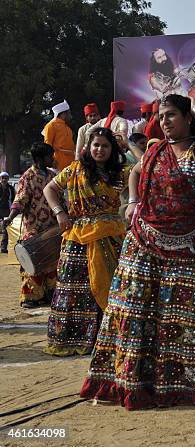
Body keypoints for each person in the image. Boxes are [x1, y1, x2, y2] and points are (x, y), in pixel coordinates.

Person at [80, 94, 195, 410]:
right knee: (131, 309)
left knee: (176, 317)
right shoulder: (156, 149)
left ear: (189, 119)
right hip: (142, 241)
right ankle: (129, 382)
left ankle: (173, 385)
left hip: (183, 247)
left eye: (172, 115)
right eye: (160, 116)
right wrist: (132, 202)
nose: (164, 121)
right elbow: (134, 173)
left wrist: (194, 102)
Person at [43, 128, 130, 356]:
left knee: (112, 287)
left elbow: (144, 168)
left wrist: (129, 145)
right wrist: (59, 212)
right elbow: (49, 189)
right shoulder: (74, 171)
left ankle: (108, 338)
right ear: (88, 148)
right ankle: (74, 339)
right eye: (96, 145)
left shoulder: (120, 173)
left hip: (110, 238)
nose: (100, 150)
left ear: (113, 150)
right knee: (77, 290)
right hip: (77, 238)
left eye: (105, 146)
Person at [4, 143, 57, 307]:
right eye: (50, 156)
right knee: (33, 263)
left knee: (52, 262)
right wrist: (10, 218)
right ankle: (31, 297)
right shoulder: (27, 177)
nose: (53, 159)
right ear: (40, 158)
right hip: (34, 227)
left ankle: (49, 294)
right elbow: (20, 200)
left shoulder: (51, 175)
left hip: (51, 227)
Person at [42, 100, 75, 170]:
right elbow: (47, 146)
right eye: (69, 113)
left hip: (70, 165)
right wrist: (52, 161)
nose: (71, 116)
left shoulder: (67, 128)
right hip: (56, 165)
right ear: (63, 114)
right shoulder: (51, 125)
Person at [0, 172, 16, 253]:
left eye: (6, 178)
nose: (4, 180)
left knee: (5, 229)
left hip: (7, 211)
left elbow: (14, 200)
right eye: (2, 178)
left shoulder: (11, 189)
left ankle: (3, 247)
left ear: (8, 179)